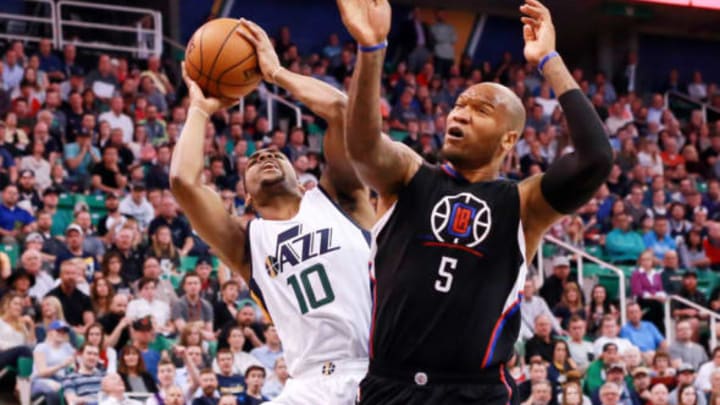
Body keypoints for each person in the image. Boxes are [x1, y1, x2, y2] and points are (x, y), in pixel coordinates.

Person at [337, 0, 612, 403]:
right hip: (389, 385)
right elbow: (362, 146)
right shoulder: (409, 175)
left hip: (475, 392)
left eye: (479, 110)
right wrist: (371, 49)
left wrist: (549, 61)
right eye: (458, 105)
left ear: (509, 139)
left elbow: (596, 159)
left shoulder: (523, 203)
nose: (459, 115)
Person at [173, 18, 374, 405]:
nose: (264, 154)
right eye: (254, 160)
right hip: (307, 385)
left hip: (374, 371)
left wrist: (277, 73)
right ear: (246, 198)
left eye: (275, 154)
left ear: (302, 180)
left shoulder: (340, 199)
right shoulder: (247, 243)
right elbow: (184, 183)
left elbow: (340, 110)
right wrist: (199, 109)